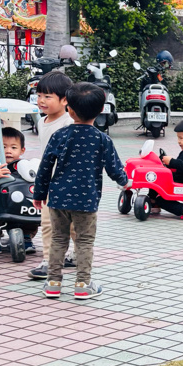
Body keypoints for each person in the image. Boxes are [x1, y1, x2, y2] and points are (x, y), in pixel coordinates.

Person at [33, 82, 129, 301]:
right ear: (101, 110)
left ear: (70, 109)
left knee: (59, 239)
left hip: (58, 198)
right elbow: (115, 168)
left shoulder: (59, 136)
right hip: (86, 200)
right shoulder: (102, 139)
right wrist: (125, 183)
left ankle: (53, 284)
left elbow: (45, 167)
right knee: (84, 241)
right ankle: (83, 285)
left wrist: (39, 194)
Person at [30, 70, 76, 277]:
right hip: (49, 183)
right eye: (39, 95)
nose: (41, 100)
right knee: (48, 223)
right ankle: (49, 261)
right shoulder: (42, 122)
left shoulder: (69, 123)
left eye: (47, 96)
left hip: (67, 184)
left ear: (65, 100)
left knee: (74, 225)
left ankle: (77, 255)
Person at [1, 127, 36, 253]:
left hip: (20, 203)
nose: (8, 151)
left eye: (13, 147)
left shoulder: (25, 166)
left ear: (22, 150)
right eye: (3, 147)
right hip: (1, 205)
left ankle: (27, 235)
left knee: (32, 207)